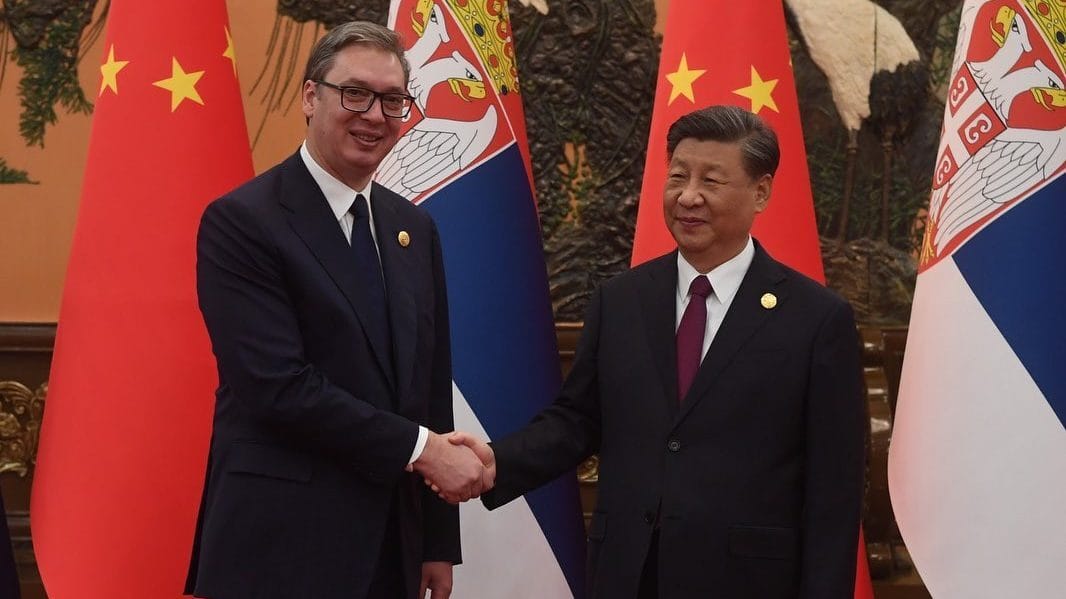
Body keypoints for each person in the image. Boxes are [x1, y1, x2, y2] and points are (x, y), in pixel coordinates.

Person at [447, 105, 866, 598]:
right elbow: (578, 420)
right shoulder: (621, 299)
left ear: (761, 191)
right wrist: (496, 462)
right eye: (678, 177)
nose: (689, 196)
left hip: (748, 582)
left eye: (711, 180)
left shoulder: (816, 319)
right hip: (629, 574)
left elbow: (834, 494)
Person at [185, 21, 488, 599]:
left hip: (388, 547)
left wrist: (435, 543)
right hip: (279, 544)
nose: (374, 115)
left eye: (393, 100)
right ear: (309, 96)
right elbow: (276, 386)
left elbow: (428, 389)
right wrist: (424, 452)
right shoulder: (243, 222)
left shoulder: (413, 229)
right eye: (355, 93)